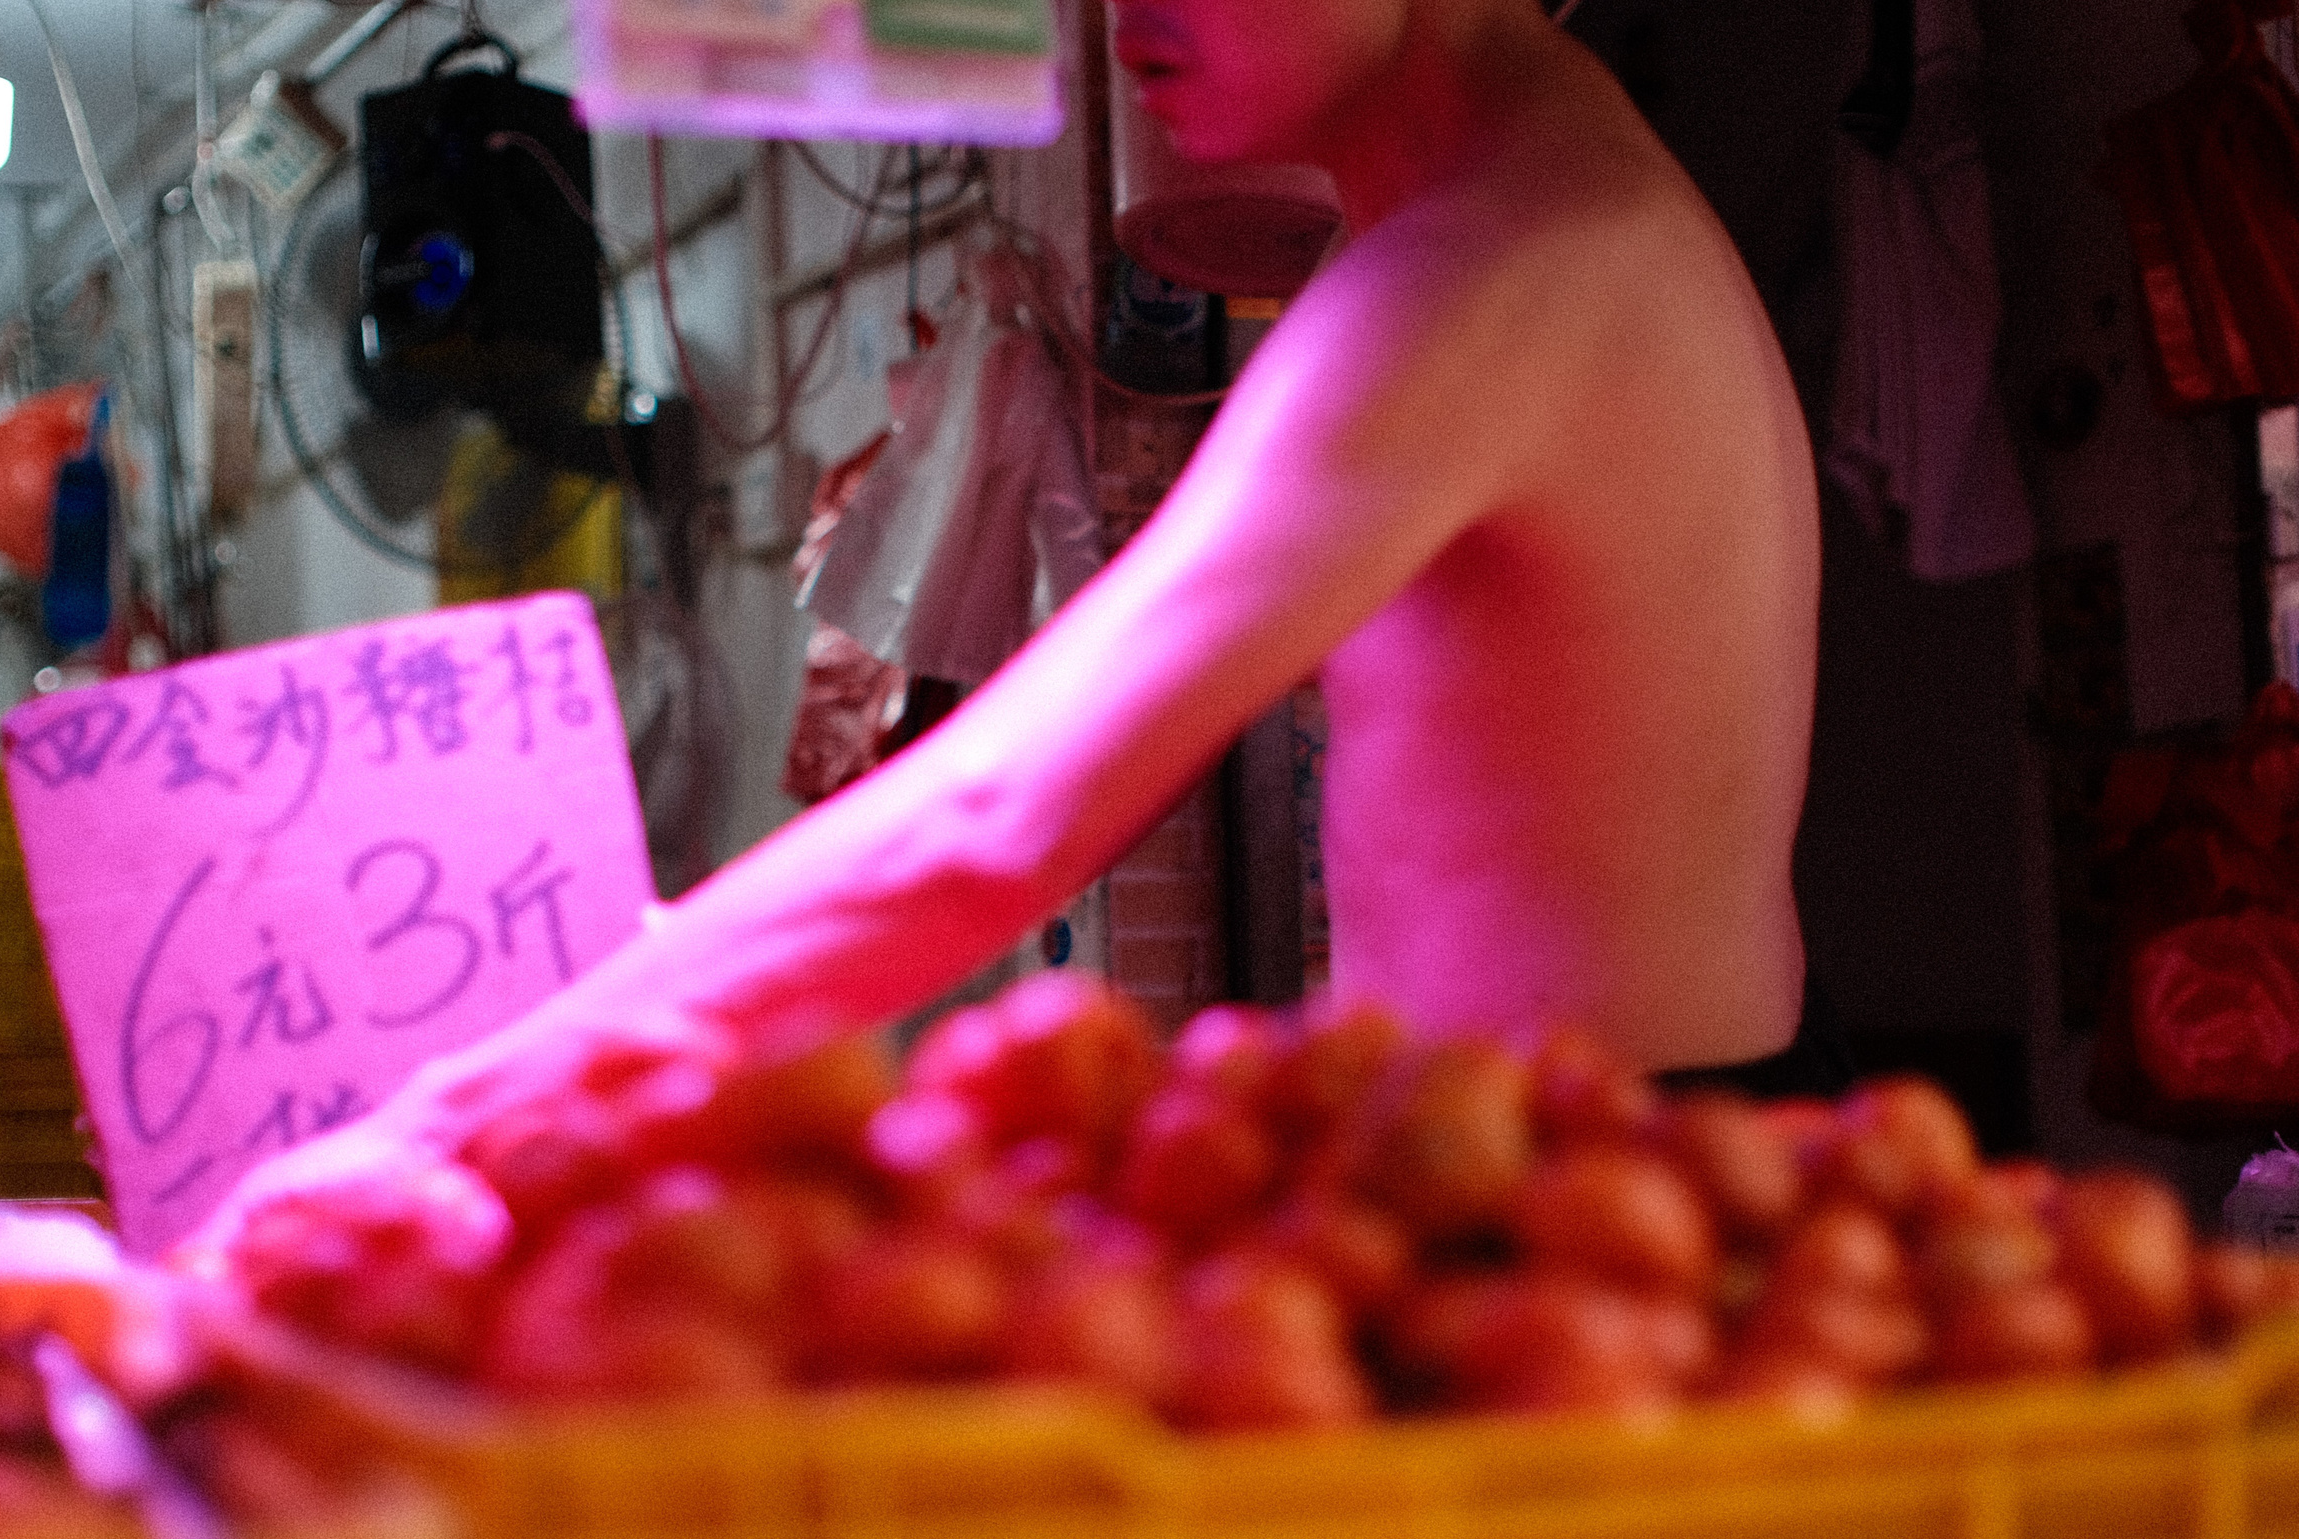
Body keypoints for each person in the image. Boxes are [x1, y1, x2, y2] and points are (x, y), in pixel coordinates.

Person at [280, 0, 1822, 1168]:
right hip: (1526, 1158)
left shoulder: (1499, 271)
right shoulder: (1522, 228)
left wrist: (472, 1101)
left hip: (1590, 1190)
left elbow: (997, 819)